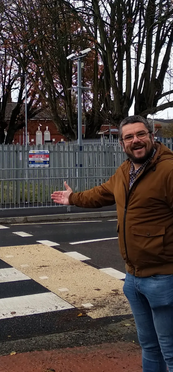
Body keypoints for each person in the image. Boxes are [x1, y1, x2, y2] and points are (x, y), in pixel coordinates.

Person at [51, 115, 173, 372]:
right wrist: (73, 198)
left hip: (165, 277)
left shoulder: (168, 170)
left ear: (152, 137)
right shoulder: (125, 171)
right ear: (122, 144)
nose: (135, 140)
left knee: (170, 350)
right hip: (133, 277)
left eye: (140, 134)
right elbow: (102, 193)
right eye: (128, 137)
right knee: (149, 347)